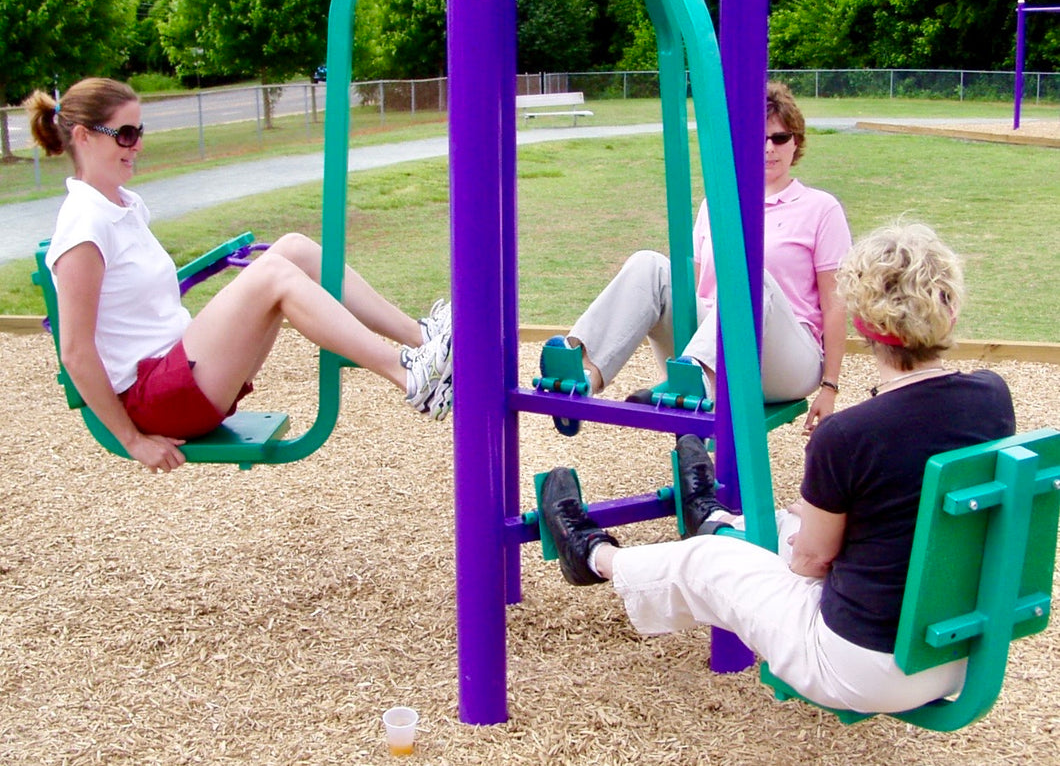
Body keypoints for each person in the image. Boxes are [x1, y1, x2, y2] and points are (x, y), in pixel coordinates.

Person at [538, 222, 1016, 714]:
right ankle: (719, 523)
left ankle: (594, 557)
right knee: (789, 521)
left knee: (714, 564)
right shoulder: (991, 397)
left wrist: (778, 551)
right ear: (951, 309)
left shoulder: (849, 436)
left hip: (864, 666)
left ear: (862, 324)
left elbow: (811, 563)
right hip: (959, 649)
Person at [26, 78, 454, 474]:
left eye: (140, 132)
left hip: (178, 370)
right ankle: (409, 375)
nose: (137, 145)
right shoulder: (84, 227)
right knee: (273, 275)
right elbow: (76, 353)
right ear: (83, 136)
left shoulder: (123, 205)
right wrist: (132, 440)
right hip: (156, 399)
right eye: (125, 134)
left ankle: (421, 338)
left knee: (293, 248)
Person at [550, 81, 850, 433]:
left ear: (796, 142)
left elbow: (835, 303)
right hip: (717, 336)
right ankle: (584, 374)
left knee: (752, 277)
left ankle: (697, 381)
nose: (770, 148)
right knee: (650, 265)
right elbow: (688, 284)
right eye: (759, 137)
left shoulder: (820, 208)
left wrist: (829, 387)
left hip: (785, 355)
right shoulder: (716, 206)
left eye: (780, 138)